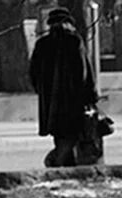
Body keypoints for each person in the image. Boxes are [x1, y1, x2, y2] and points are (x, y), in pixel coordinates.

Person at [29, 7, 98, 168]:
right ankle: (56, 161)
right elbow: (84, 71)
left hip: (50, 104)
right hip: (72, 100)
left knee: (59, 134)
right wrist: (91, 95)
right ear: (68, 23)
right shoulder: (74, 41)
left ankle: (66, 166)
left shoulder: (42, 44)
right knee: (72, 135)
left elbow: (33, 73)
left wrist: (42, 91)